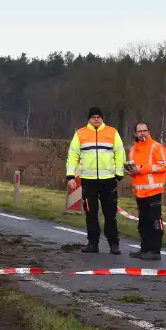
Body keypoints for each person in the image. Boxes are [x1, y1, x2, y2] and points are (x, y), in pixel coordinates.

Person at [66, 107, 126, 254]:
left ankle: (114, 244)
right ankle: (93, 243)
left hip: (108, 180)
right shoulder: (80, 134)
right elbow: (73, 155)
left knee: (110, 214)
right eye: (93, 117)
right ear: (89, 119)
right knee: (91, 214)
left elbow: (120, 153)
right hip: (88, 180)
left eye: (99, 117)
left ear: (102, 118)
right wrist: (70, 176)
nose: (96, 119)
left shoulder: (112, 132)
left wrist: (119, 173)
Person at [127, 122, 166, 260]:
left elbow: (164, 165)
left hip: (154, 191)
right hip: (140, 192)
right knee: (143, 222)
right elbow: (134, 168)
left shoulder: (157, 147)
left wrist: (142, 169)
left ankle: (155, 251)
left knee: (155, 221)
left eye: (145, 131)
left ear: (149, 131)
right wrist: (131, 171)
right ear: (135, 134)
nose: (142, 133)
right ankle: (144, 249)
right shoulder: (133, 150)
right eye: (139, 131)